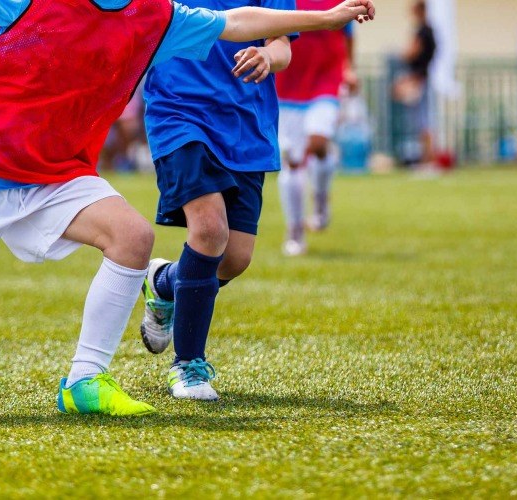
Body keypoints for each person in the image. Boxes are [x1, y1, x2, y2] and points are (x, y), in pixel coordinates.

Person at [0, 0, 375, 416]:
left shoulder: (154, 14)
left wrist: (324, 18)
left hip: (54, 171)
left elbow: (238, 22)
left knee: (132, 236)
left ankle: (85, 378)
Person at [139, 0, 373, 399]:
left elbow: (282, 44)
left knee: (235, 258)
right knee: (210, 231)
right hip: (180, 113)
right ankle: (189, 365)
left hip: (246, 123)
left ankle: (163, 282)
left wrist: (269, 53)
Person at [275, 0, 357, 256]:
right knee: (293, 161)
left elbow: (348, 32)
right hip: (286, 85)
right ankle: (295, 232)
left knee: (319, 143)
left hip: (326, 80)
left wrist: (350, 68)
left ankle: (320, 201)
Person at [394, 0, 436, 167]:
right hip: (423, 78)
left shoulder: (423, 31)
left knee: (422, 121)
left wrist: (401, 54)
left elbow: (411, 53)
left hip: (419, 80)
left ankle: (428, 160)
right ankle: (427, 159)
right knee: (423, 120)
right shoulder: (430, 31)